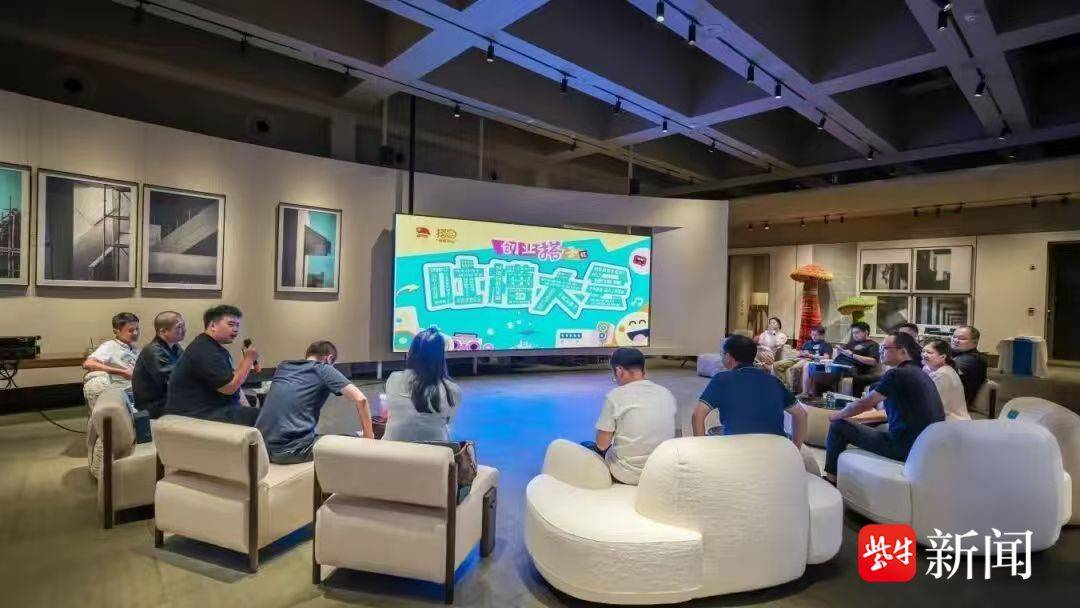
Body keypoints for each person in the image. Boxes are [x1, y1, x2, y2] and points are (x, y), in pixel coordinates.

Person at [822, 332, 945, 483]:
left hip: (904, 447)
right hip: (925, 447)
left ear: (902, 351)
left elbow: (864, 403)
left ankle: (831, 480)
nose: (881, 351)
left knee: (838, 426)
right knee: (875, 424)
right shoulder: (919, 372)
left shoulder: (897, 374)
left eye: (885, 348)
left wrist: (836, 415)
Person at [255, 341, 374, 464]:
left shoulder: (283, 366)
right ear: (329, 358)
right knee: (357, 439)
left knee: (319, 435)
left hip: (261, 448)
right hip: (289, 450)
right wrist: (368, 436)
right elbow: (361, 399)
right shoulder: (322, 368)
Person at [692, 334, 807, 448]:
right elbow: (801, 414)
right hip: (775, 452)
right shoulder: (774, 381)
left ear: (729, 357)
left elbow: (697, 415)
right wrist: (795, 449)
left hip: (738, 452)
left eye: (723, 353)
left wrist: (702, 450)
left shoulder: (721, 379)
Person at [585, 348, 676, 485]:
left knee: (587, 446)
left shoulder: (615, 396)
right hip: (661, 471)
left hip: (627, 474)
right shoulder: (666, 393)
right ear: (643, 369)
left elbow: (602, 445)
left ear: (619, 371)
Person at [164, 305, 259, 426]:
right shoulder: (204, 350)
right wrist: (249, 360)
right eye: (231, 324)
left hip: (214, 409)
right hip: (196, 415)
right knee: (268, 418)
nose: (235, 329)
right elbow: (229, 388)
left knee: (264, 412)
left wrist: (245, 360)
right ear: (213, 325)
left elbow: (233, 382)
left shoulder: (213, 347)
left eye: (237, 325)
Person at [383, 329, 462, 442]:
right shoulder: (452, 390)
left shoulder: (394, 379)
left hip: (393, 448)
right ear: (441, 358)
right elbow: (448, 420)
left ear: (410, 353)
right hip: (435, 450)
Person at [82, 312, 141, 411]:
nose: (135, 333)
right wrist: (122, 372)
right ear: (116, 331)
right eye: (130, 330)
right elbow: (88, 364)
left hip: (140, 389)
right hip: (125, 393)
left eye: (137, 329)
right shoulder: (110, 346)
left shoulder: (134, 347)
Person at [131, 311, 186, 419]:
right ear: (163, 331)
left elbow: (188, 370)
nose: (184, 330)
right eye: (179, 327)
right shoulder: (154, 351)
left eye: (184, 326)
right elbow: (174, 381)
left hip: (169, 399)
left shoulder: (175, 346)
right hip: (155, 407)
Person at [805, 322, 880, 397]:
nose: (854, 335)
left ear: (866, 332)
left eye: (857, 333)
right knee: (813, 369)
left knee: (818, 376)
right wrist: (840, 351)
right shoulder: (852, 343)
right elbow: (843, 354)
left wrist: (852, 355)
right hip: (838, 365)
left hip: (851, 368)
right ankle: (811, 396)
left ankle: (817, 399)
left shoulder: (873, 345)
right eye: (853, 333)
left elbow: (873, 362)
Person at [922, 339, 971, 422]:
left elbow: (934, 404)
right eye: (923, 351)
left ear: (943, 357)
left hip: (950, 420)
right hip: (945, 417)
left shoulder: (942, 375)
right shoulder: (943, 369)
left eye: (929, 352)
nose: (924, 355)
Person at [775, 325, 832, 393]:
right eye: (812, 334)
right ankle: (784, 387)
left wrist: (810, 355)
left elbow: (826, 357)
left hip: (810, 360)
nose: (813, 336)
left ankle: (794, 392)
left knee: (795, 368)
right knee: (777, 365)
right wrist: (801, 353)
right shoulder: (807, 343)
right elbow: (799, 353)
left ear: (822, 335)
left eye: (815, 335)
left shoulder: (826, 344)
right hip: (799, 358)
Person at [951, 325, 989, 407]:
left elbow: (947, 371)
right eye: (954, 337)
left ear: (975, 342)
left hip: (957, 403)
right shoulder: (957, 353)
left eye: (962, 338)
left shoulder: (973, 359)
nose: (955, 340)